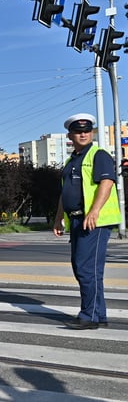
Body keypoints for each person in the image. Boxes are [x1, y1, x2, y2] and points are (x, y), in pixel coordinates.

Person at [52, 113, 121, 329]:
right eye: (78, 131)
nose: (83, 134)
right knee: (86, 268)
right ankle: (98, 314)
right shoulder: (71, 160)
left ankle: (88, 316)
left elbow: (107, 182)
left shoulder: (98, 154)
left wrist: (94, 211)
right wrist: (57, 219)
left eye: (87, 131)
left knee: (85, 268)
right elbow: (66, 192)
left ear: (91, 133)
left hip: (94, 221)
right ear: (69, 135)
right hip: (76, 220)